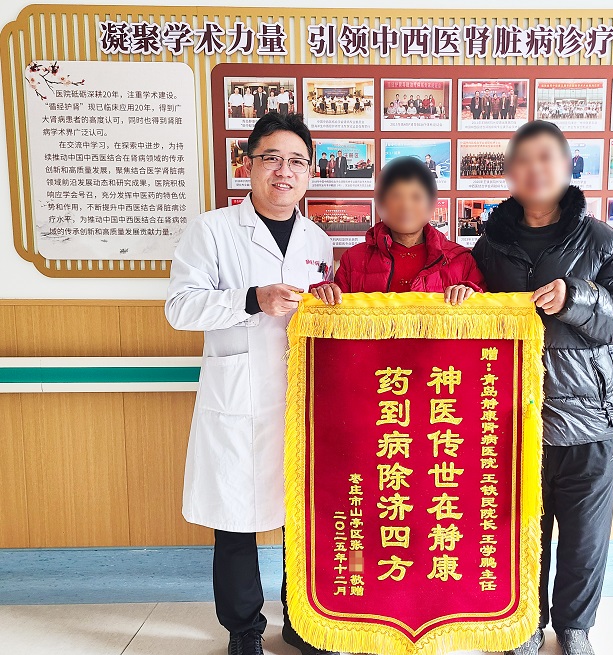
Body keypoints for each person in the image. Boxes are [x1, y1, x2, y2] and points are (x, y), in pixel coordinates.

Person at [471, 120, 613, 655]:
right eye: (523, 159)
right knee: (518, 530)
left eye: (546, 157)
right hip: (513, 418)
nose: (535, 168)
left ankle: (575, 628)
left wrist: (577, 298)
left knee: (584, 537)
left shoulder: (603, 241)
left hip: (591, 419)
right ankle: (524, 622)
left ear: (568, 166)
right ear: (510, 172)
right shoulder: (489, 246)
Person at [166, 112, 338, 655]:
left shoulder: (318, 241)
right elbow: (179, 307)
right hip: (236, 401)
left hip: (299, 401)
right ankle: (243, 629)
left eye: (297, 162)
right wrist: (251, 300)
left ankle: (301, 620)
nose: (284, 172)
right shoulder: (212, 230)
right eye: (272, 159)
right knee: (235, 518)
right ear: (248, 164)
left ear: (309, 173)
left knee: (301, 516)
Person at [310, 156, 485, 302]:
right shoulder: (354, 260)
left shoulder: (461, 260)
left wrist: (472, 295)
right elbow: (334, 315)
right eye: (396, 196)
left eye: (416, 197)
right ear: (382, 203)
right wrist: (324, 293)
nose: (406, 206)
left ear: (431, 204)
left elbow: (486, 315)